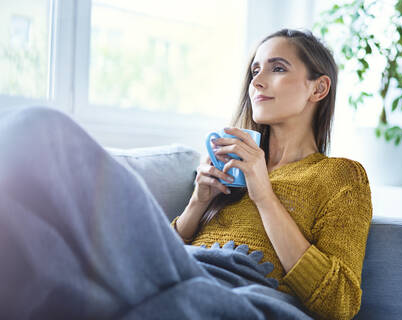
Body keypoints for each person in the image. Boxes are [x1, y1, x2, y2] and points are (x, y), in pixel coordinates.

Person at [0, 29, 372, 320]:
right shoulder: (232, 169)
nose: (256, 82)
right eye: (254, 71)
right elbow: (165, 254)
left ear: (318, 87)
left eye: (277, 68)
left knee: (41, 128)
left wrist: (263, 194)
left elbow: (339, 301)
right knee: (35, 239)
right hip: (182, 272)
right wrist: (199, 201)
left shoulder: (341, 176)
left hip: (239, 294)